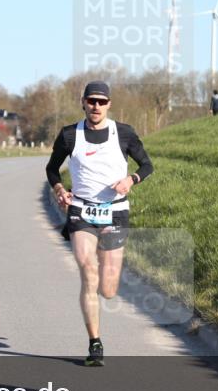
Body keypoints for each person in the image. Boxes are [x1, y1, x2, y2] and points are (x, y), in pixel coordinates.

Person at [45, 81, 154, 366]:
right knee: (88, 271)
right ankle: (95, 343)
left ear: (109, 104)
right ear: (82, 102)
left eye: (101, 102)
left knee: (108, 288)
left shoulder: (124, 133)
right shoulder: (70, 135)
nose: (96, 106)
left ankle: (106, 290)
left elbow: (147, 165)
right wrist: (60, 191)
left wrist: (131, 179)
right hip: (81, 210)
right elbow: (52, 169)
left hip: (115, 211)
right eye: (91, 101)